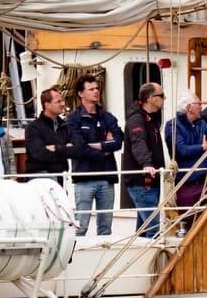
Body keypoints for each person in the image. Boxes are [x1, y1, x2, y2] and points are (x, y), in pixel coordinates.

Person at [68, 76, 122, 236]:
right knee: (81, 226)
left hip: (106, 178)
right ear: (80, 93)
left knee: (105, 228)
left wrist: (93, 145)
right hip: (84, 178)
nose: (96, 91)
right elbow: (78, 147)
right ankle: (75, 257)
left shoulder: (108, 117)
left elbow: (118, 142)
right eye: (91, 89)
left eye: (97, 88)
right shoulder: (72, 119)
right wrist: (105, 148)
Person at [123, 82, 167, 236]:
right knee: (153, 229)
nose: (164, 98)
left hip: (149, 182)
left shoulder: (149, 118)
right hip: (143, 182)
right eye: (161, 96)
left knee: (143, 230)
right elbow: (138, 142)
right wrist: (146, 164)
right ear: (150, 98)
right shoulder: (137, 119)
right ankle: (151, 260)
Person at [168, 92, 207, 208]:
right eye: (198, 104)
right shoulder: (172, 125)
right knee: (189, 219)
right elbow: (181, 150)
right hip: (187, 183)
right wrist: (202, 147)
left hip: (205, 181)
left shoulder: (201, 124)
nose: (201, 107)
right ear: (188, 107)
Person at [24, 86, 71, 180]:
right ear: (47, 105)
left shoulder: (65, 126)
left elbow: (74, 150)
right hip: (41, 176)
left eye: (62, 101)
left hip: (62, 175)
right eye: (58, 101)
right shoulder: (33, 127)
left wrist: (55, 148)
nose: (62, 104)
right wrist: (64, 149)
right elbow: (39, 154)